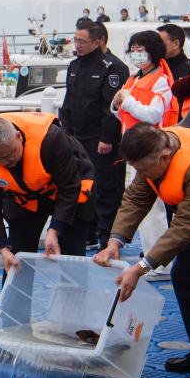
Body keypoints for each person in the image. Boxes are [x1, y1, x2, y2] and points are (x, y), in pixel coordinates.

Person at [94, 124, 190, 378]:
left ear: (165, 156)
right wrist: (115, 240)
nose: (142, 175)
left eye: (145, 170)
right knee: (183, 277)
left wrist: (141, 267)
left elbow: (185, 225)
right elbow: (136, 198)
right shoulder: (149, 154)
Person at [0, 113, 96, 272]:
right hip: (24, 197)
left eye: (11, 154)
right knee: (16, 258)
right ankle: (15, 296)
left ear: (18, 137)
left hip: (70, 188)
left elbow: (70, 188)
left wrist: (54, 230)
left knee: (71, 260)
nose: (7, 162)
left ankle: (72, 295)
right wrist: (2, 247)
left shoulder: (52, 139)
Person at [60, 22, 128, 247]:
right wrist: (65, 136)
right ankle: (87, 232)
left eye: (82, 41)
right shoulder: (74, 66)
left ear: (98, 42)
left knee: (106, 186)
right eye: (75, 40)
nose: (77, 45)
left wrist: (107, 138)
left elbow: (111, 106)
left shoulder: (113, 67)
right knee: (82, 185)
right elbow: (68, 103)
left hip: (102, 139)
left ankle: (107, 235)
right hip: (78, 138)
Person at [113, 30, 177, 131]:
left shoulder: (161, 81)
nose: (135, 54)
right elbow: (126, 116)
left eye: (139, 50)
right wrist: (116, 106)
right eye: (132, 50)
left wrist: (126, 100)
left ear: (153, 52)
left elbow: (153, 116)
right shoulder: (133, 78)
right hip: (130, 139)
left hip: (149, 141)